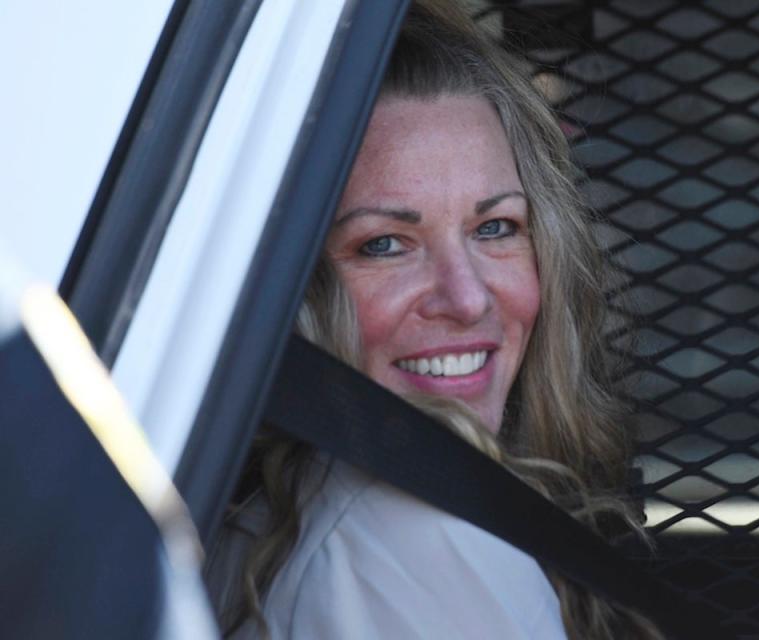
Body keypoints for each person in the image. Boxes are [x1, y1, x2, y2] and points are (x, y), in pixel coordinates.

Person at [204, 2, 660, 638]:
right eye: (385, 244)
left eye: (495, 228)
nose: (467, 298)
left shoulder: (264, 514)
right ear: (289, 283)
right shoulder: (419, 541)